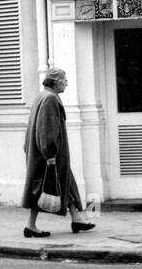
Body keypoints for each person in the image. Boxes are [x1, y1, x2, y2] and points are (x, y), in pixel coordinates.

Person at [22, 67, 94, 237]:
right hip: (49, 155)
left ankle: (77, 219)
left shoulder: (43, 95)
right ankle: (30, 226)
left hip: (43, 153)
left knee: (66, 183)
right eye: (64, 79)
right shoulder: (50, 99)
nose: (66, 83)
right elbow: (48, 130)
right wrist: (50, 155)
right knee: (42, 189)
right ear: (56, 81)